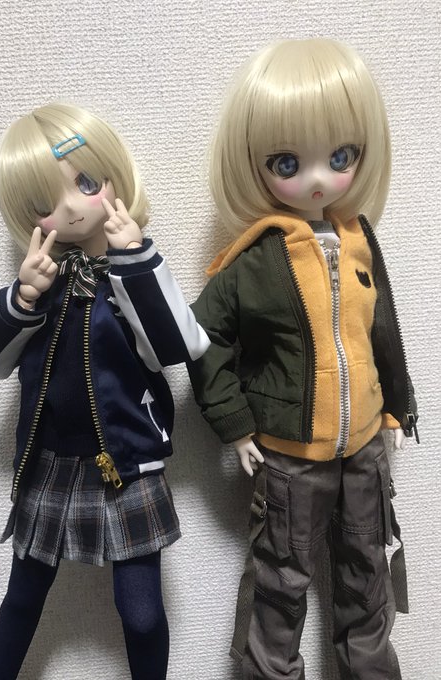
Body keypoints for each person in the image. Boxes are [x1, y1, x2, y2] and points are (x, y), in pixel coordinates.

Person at [0, 102, 209, 680]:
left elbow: (180, 345)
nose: (70, 208)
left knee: (141, 612)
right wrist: (22, 298)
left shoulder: (132, 276)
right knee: (22, 597)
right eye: (46, 203)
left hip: (126, 464)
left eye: (87, 183)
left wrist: (135, 261)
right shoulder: (44, 284)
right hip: (48, 462)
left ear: (114, 176)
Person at [187, 39, 418, 680]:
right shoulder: (254, 261)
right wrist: (235, 425)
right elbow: (202, 341)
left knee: (367, 577)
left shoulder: (359, 242)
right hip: (288, 457)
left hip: (365, 450)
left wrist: (395, 408)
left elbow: (382, 329)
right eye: (287, 162)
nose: (318, 179)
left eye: (340, 156)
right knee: (279, 585)